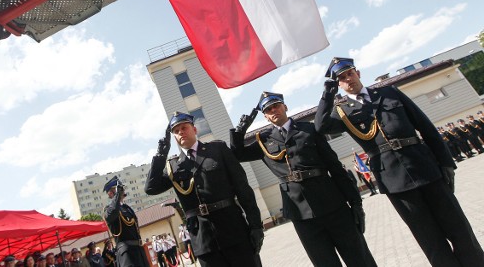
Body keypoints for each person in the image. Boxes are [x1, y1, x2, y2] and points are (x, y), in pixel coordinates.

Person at [315, 57, 484, 266]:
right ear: (338, 83)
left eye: (350, 73)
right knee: (429, 239)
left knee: (459, 228)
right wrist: (328, 92)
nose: (348, 79)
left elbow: (425, 126)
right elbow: (320, 127)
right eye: (341, 78)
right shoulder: (341, 112)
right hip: (395, 180)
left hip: (425, 167)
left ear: (358, 73)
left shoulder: (389, 93)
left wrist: (446, 162)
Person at [231, 92, 377, 267]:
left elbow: (335, 167)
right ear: (265, 116)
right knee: (324, 262)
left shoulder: (308, 129)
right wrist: (239, 131)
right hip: (300, 212)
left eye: (276, 106)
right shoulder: (263, 140)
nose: (273, 111)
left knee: (358, 256)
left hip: (332, 203)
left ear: (285, 106)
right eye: (268, 110)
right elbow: (237, 155)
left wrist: (355, 202)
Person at [145, 112, 264, 267]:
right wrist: (160, 155)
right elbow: (151, 188)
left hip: (234, 230)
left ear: (194, 130)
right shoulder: (172, 166)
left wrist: (255, 225)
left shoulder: (217, 149)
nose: (181, 132)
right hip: (203, 240)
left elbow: (243, 189)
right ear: (174, 137)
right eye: (176, 131)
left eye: (184, 127)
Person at [102, 176, 149, 267]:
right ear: (111, 194)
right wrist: (117, 196)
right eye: (119, 189)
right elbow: (112, 214)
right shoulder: (108, 209)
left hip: (138, 250)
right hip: (126, 253)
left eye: (122, 188)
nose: (122, 190)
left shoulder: (127, 208)